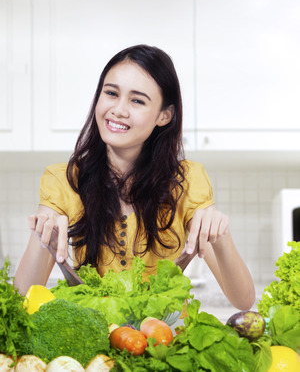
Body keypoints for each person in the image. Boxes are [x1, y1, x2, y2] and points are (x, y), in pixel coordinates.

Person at [15, 44, 255, 310]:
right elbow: (23, 297)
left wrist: (221, 235)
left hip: (167, 343)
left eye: (137, 100)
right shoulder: (64, 179)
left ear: (165, 115)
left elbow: (243, 300)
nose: (118, 109)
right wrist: (43, 238)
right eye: (111, 93)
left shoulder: (187, 180)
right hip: (99, 347)